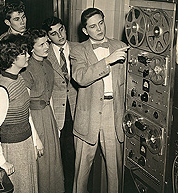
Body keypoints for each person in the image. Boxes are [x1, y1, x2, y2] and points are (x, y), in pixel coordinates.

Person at [71, 8, 129, 193]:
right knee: (81, 172)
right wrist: (106, 61)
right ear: (85, 31)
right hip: (88, 115)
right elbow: (80, 77)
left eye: (101, 23)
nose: (99, 29)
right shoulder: (78, 50)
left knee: (115, 172)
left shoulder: (120, 45)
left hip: (114, 112)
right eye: (93, 26)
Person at [0, 34, 42, 192]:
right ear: (12, 58)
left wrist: (35, 141)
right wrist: (2, 161)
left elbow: (25, 113)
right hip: (12, 149)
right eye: (23, 52)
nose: (28, 55)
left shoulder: (19, 78)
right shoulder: (1, 90)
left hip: (26, 144)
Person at [21, 28, 64, 193]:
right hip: (35, 119)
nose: (47, 46)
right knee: (41, 164)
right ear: (31, 48)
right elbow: (24, 104)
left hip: (48, 117)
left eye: (47, 42)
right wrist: (35, 138)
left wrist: (55, 124)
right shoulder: (27, 68)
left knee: (53, 162)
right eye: (42, 44)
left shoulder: (47, 63)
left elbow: (50, 96)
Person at [42, 16, 78, 193]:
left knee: (75, 155)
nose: (60, 36)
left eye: (61, 30)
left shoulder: (78, 48)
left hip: (77, 108)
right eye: (54, 34)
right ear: (48, 37)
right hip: (57, 111)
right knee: (61, 155)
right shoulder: (44, 53)